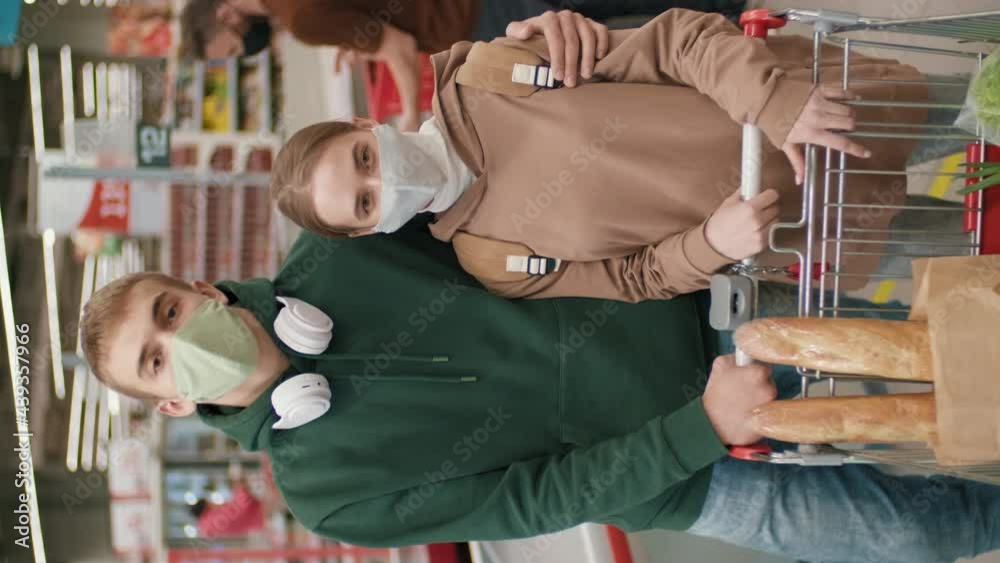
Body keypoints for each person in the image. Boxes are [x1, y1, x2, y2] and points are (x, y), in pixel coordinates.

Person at [78, 222, 1000, 562]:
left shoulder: (337, 248)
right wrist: (697, 430)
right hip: (685, 476)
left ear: (196, 286)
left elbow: (507, 203)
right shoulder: (327, 493)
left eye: (167, 312)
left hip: (696, 320)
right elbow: (534, 498)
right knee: (910, 532)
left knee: (943, 357)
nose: (177, 343)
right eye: (154, 362)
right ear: (169, 404)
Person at [270, 8, 930, 302]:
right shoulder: (492, 259)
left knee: (969, 114)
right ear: (370, 231)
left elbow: (675, 43)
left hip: (825, 106)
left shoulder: (491, 74)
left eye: (363, 157)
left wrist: (773, 102)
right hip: (819, 229)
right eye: (365, 203)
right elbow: (636, 278)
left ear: (365, 123)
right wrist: (709, 245)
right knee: (964, 253)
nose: (387, 180)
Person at [179, 1, 742, 131]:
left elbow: (397, 45)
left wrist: (408, 121)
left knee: (604, 41)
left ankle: (728, 31)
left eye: (228, 51)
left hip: (473, 14)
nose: (241, 53)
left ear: (225, 15)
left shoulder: (299, 21)